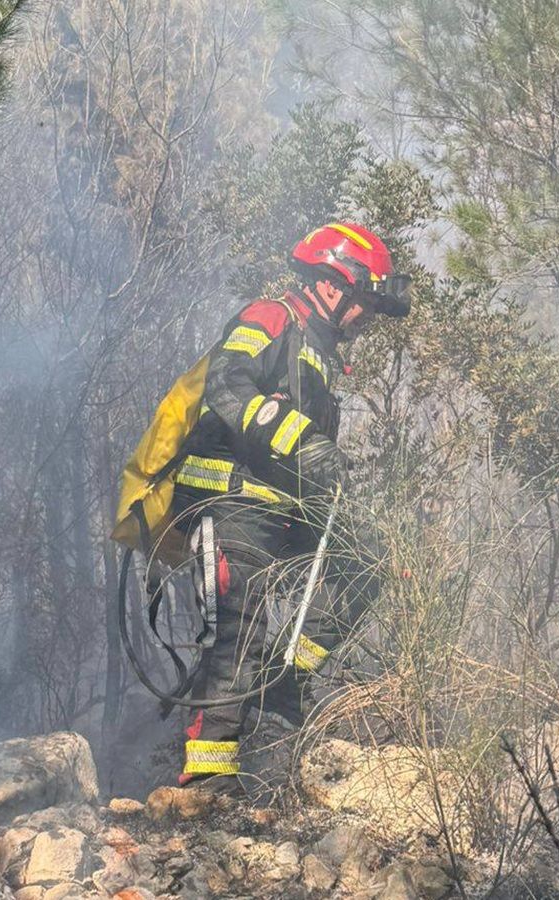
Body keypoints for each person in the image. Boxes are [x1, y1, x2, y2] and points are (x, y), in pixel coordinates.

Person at [168, 222, 412, 793]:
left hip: (282, 505)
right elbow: (227, 386)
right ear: (334, 285)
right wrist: (300, 440)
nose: (369, 315)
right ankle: (208, 776)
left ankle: (283, 679)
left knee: (369, 561)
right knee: (239, 618)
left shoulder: (323, 355)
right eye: (365, 301)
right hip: (229, 497)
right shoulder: (271, 318)